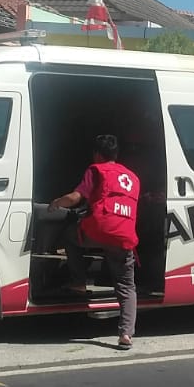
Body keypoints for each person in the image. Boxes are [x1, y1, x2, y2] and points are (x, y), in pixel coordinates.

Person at [49, 134, 140, 350]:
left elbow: (75, 198)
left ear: (97, 154)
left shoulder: (96, 170)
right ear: (116, 154)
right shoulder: (133, 177)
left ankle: (79, 280)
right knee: (127, 285)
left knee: (69, 237)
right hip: (123, 236)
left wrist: (55, 203)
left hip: (98, 232)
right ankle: (126, 334)